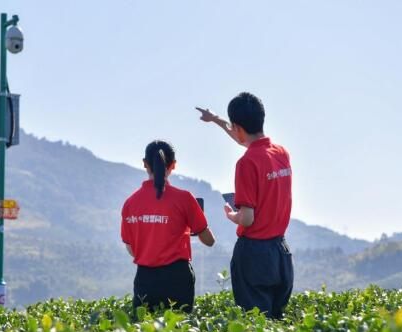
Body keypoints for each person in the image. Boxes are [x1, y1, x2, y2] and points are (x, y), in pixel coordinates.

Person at [196, 92, 294, 319]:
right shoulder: (281, 153)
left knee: (257, 324)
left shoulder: (246, 163)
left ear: (238, 127)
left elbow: (247, 219)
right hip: (281, 253)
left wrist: (232, 215)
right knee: (277, 323)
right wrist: (217, 120)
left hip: (254, 254)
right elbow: (246, 140)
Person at [121, 140, 215, 313]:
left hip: (145, 279)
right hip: (177, 278)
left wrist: (149, 251)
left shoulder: (130, 203)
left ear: (144, 164)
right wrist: (196, 225)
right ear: (173, 165)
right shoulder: (185, 198)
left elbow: (130, 247)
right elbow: (209, 241)